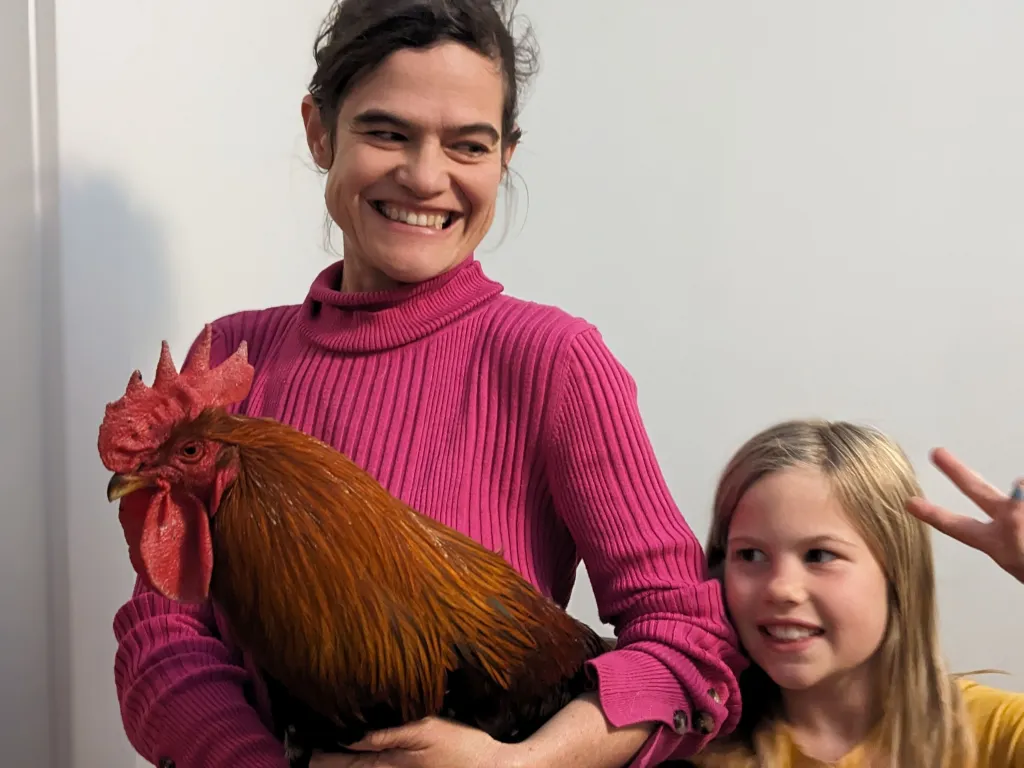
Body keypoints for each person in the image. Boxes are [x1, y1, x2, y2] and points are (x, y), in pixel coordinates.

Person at [109, 1, 746, 766]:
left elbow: (689, 646)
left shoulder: (552, 360)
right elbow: (165, 635)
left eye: (468, 144)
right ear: (320, 131)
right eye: (386, 132)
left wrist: (521, 764)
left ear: (506, 156)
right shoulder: (240, 355)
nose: (425, 176)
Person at [687, 419, 1024, 767]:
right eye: (750, 555)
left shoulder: (998, 733)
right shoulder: (689, 748)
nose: (781, 588)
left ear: (897, 571)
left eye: (819, 555)